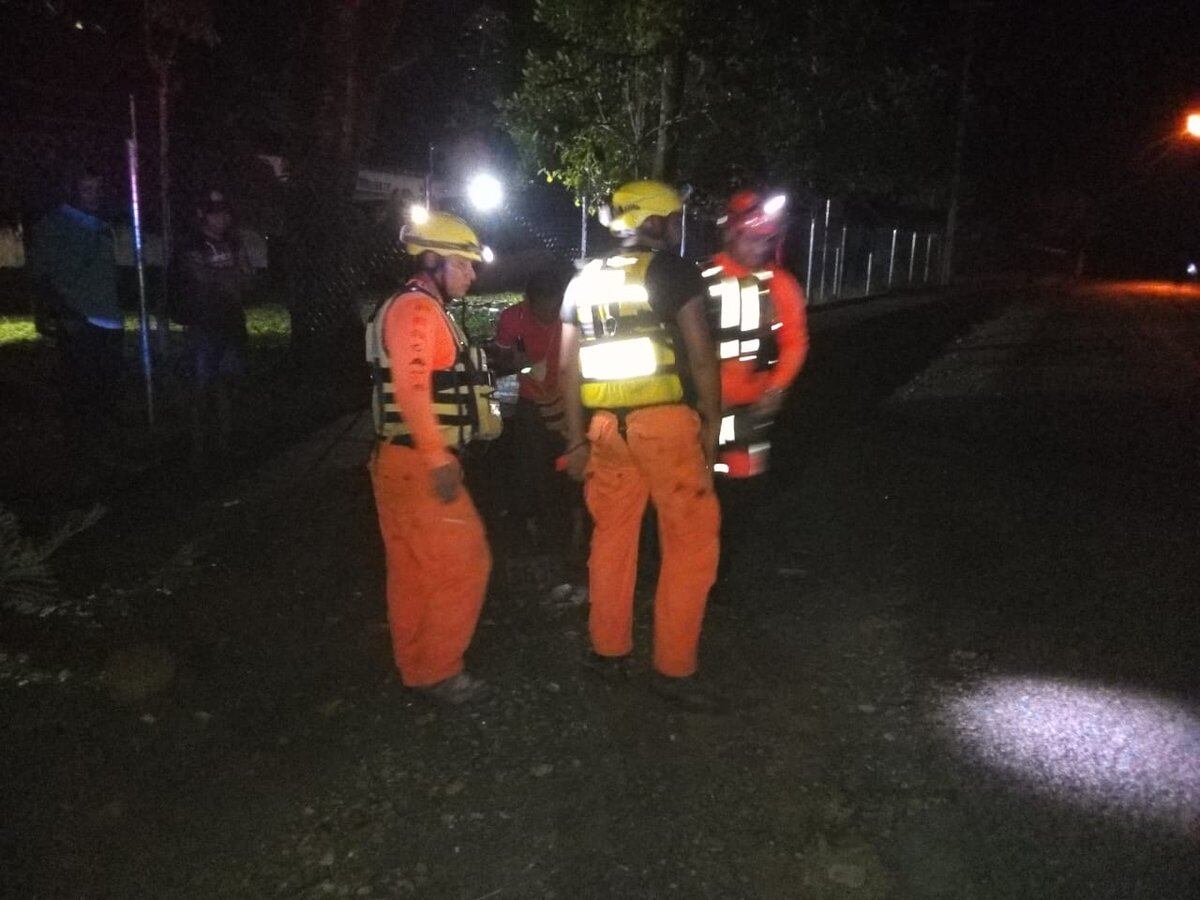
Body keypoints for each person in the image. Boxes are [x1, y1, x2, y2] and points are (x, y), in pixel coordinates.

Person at [559, 180, 723, 709]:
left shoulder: (581, 282)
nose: (677, 227)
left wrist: (575, 439)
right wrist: (713, 425)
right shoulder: (672, 271)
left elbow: (564, 366)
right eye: (673, 218)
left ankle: (609, 651)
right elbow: (701, 356)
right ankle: (674, 669)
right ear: (652, 221)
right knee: (691, 542)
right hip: (666, 427)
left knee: (612, 538)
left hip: (606, 429)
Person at [365, 211, 502, 705]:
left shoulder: (413, 307)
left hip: (398, 462)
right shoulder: (418, 311)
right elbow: (411, 385)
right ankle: (441, 670)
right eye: (463, 264)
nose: (471, 274)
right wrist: (437, 457)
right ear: (433, 261)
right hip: (420, 464)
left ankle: (417, 668)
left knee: (412, 571)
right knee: (467, 563)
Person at [704, 190, 809, 593]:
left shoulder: (779, 285)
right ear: (731, 234)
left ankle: (720, 573)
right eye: (752, 237)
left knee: (740, 493)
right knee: (697, 487)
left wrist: (778, 385)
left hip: (750, 412)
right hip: (703, 409)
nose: (759, 247)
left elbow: (796, 341)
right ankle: (692, 567)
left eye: (766, 239)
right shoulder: (702, 277)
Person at [488, 263, 580, 569]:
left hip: (571, 400)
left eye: (554, 308)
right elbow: (507, 356)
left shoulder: (573, 315)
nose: (548, 316)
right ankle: (529, 533)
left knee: (570, 467)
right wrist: (525, 363)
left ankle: (567, 536)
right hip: (533, 402)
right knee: (531, 468)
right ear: (529, 302)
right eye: (542, 310)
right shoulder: (514, 318)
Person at [28, 166, 124, 457]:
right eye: (87, 189)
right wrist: (58, 315)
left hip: (110, 320)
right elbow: (40, 276)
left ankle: (104, 454)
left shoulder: (100, 225)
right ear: (73, 191)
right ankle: (81, 457)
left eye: (97, 189)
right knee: (81, 394)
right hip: (79, 321)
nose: (94, 196)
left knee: (106, 392)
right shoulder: (54, 225)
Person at [175, 189, 252, 461]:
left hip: (230, 323)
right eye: (215, 213)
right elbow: (203, 279)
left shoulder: (233, 243)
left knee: (227, 384)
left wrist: (228, 277)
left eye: (224, 212)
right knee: (201, 385)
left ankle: (224, 440)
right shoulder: (193, 244)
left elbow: (246, 279)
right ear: (202, 215)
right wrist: (229, 277)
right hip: (204, 325)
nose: (222, 218)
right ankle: (197, 444)